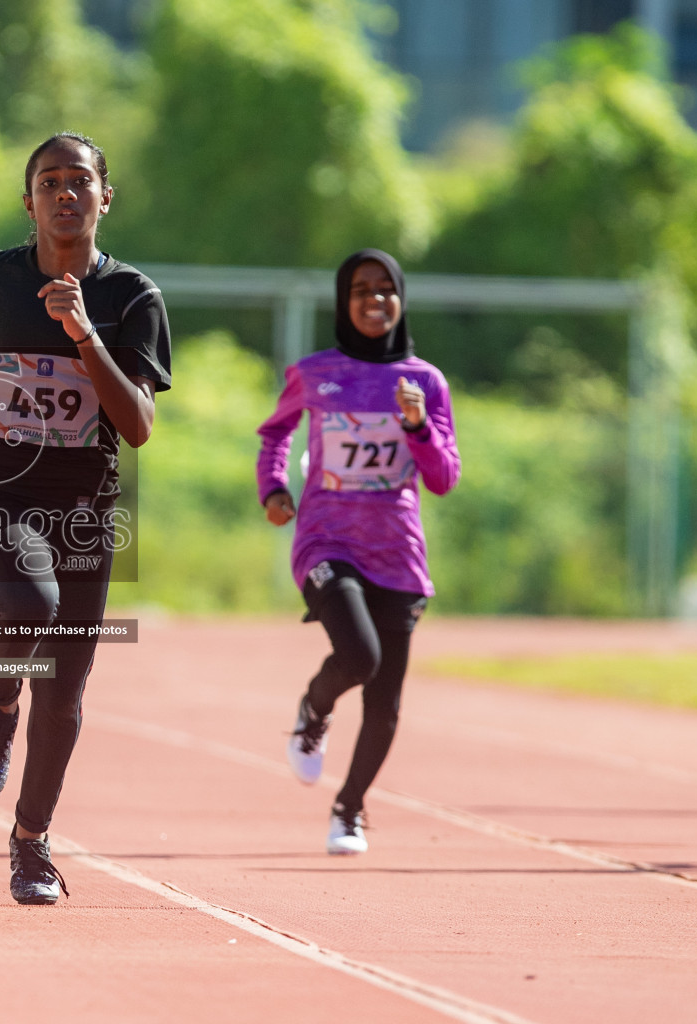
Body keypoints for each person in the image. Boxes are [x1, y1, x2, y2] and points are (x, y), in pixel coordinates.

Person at [0, 133, 171, 904]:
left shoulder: (132, 299)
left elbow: (140, 424)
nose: (65, 193)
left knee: (63, 690)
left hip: (85, 501)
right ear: (30, 202)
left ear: (103, 197)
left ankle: (31, 843)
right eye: (48, 181)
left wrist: (85, 334)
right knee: (29, 603)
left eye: (79, 180)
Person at [257, 249, 460, 855]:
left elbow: (444, 477)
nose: (374, 301)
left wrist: (419, 427)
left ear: (400, 300)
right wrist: (273, 487)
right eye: (361, 291)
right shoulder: (315, 373)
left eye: (385, 290)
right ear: (344, 303)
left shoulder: (425, 382)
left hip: (397, 552)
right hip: (326, 540)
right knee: (359, 656)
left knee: (385, 698)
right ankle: (313, 709)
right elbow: (276, 432)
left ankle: (349, 810)